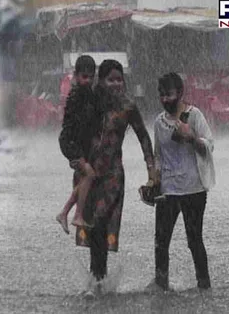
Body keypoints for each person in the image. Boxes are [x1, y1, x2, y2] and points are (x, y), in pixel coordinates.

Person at [63, 59, 157, 291]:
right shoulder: (91, 101)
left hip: (112, 176)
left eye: (119, 79)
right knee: (91, 225)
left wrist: (151, 171)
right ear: (101, 81)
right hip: (88, 174)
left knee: (101, 222)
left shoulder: (128, 106)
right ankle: (98, 279)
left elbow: (144, 137)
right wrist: (73, 156)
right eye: (110, 79)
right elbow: (70, 129)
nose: (115, 84)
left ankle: (99, 280)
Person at [149, 72, 215, 291]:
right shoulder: (159, 122)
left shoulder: (194, 115)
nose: (165, 99)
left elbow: (209, 145)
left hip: (194, 189)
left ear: (180, 93)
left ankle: (204, 286)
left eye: (169, 94)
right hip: (168, 191)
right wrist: (154, 180)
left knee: (194, 240)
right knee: (161, 242)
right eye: (161, 95)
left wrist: (190, 137)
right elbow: (158, 154)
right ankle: (161, 286)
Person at [56, 55, 97, 233]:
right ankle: (77, 215)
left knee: (84, 180)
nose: (87, 80)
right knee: (89, 174)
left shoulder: (88, 94)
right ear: (76, 75)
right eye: (84, 77)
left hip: (77, 143)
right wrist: (77, 154)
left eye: (90, 77)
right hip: (70, 142)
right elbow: (75, 127)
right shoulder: (76, 95)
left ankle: (64, 212)